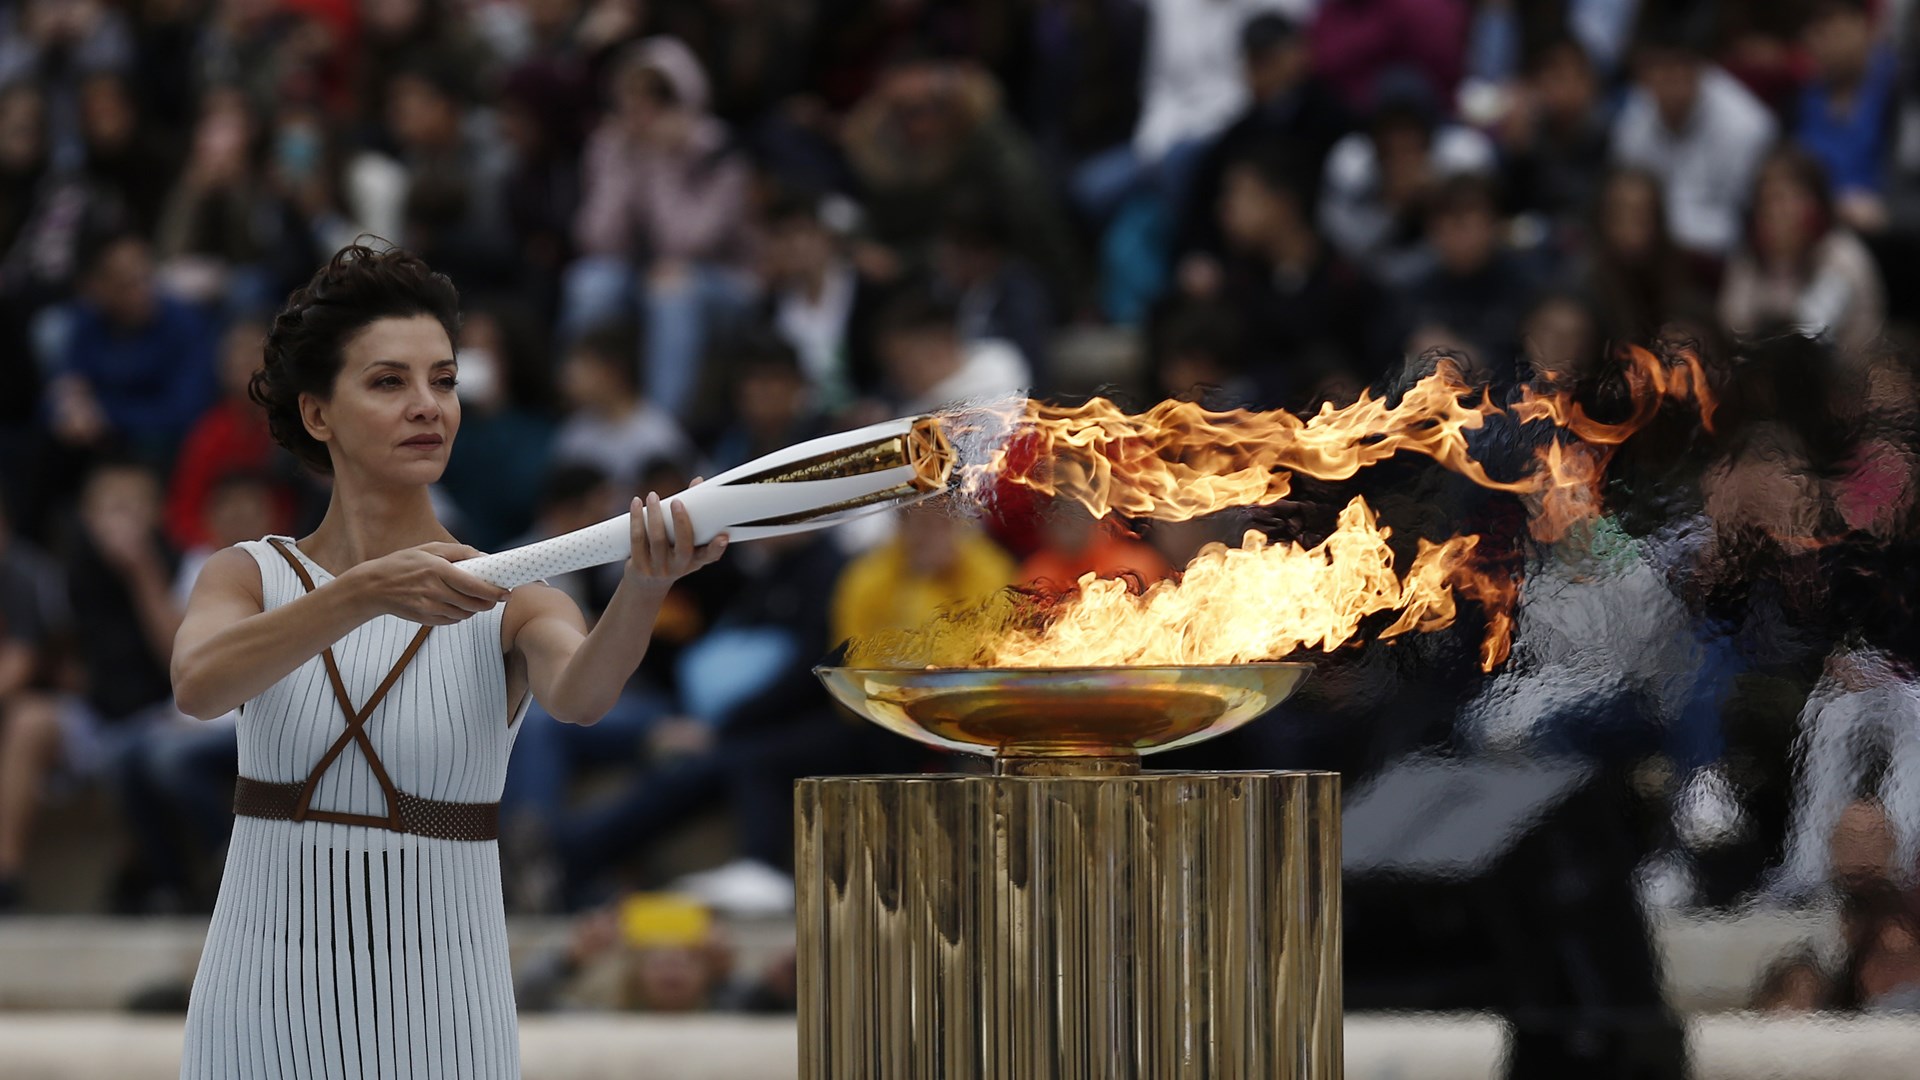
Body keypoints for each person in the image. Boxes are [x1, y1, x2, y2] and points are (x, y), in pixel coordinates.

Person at [169, 244, 726, 1078]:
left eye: (445, 380)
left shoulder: (511, 589)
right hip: (258, 1000)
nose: (428, 406)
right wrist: (359, 594)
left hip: (444, 1008)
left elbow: (582, 695)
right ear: (318, 415)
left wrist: (643, 589)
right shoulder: (249, 574)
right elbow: (199, 684)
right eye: (390, 382)